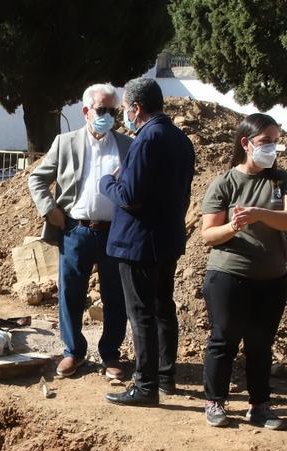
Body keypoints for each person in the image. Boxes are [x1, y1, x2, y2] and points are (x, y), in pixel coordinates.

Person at [198, 113, 287, 429]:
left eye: (275, 140)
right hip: (229, 276)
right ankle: (215, 401)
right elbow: (208, 235)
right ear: (246, 143)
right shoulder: (225, 183)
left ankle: (259, 405)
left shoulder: (280, 179)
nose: (272, 147)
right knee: (223, 340)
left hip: (271, 278)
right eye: (265, 141)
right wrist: (233, 225)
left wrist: (258, 213)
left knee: (260, 344)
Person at [99, 77, 196, 406]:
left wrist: (106, 182)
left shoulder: (146, 139)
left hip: (139, 244)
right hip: (167, 239)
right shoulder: (180, 139)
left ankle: (145, 386)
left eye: (125, 108)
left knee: (141, 313)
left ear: (136, 108)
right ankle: (166, 376)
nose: (123, 114)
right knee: (163, 308)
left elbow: (130, 196)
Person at [28, 83, 132, 380]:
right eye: (102, 110)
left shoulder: (127, 145)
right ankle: (74, 351)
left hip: (115, 233)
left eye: (113, 111)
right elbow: (37, 179)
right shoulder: (65, 142)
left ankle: (111, 353)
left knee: (115, 296)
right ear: (86, 112)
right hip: (75, 230)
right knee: (71, 293)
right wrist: (50, 210)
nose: (108, 116)